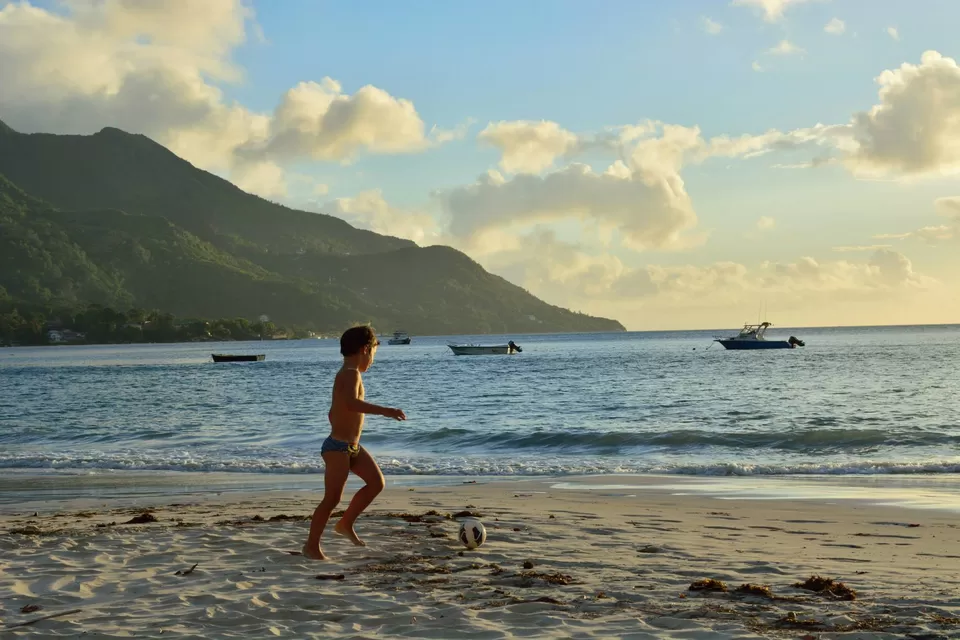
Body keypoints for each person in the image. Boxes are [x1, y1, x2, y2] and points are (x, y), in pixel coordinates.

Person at [302, 325, 406, 560]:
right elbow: (351, 403)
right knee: (332, 499)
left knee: (376, 482)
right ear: (365, 349)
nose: (372, 361)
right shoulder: (350, 373)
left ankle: (345, 523)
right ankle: (311, 546)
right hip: (337, 448)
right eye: (373, 354)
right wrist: (386, 411)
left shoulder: (347, 373)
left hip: (352, 447)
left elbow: (336, 409)